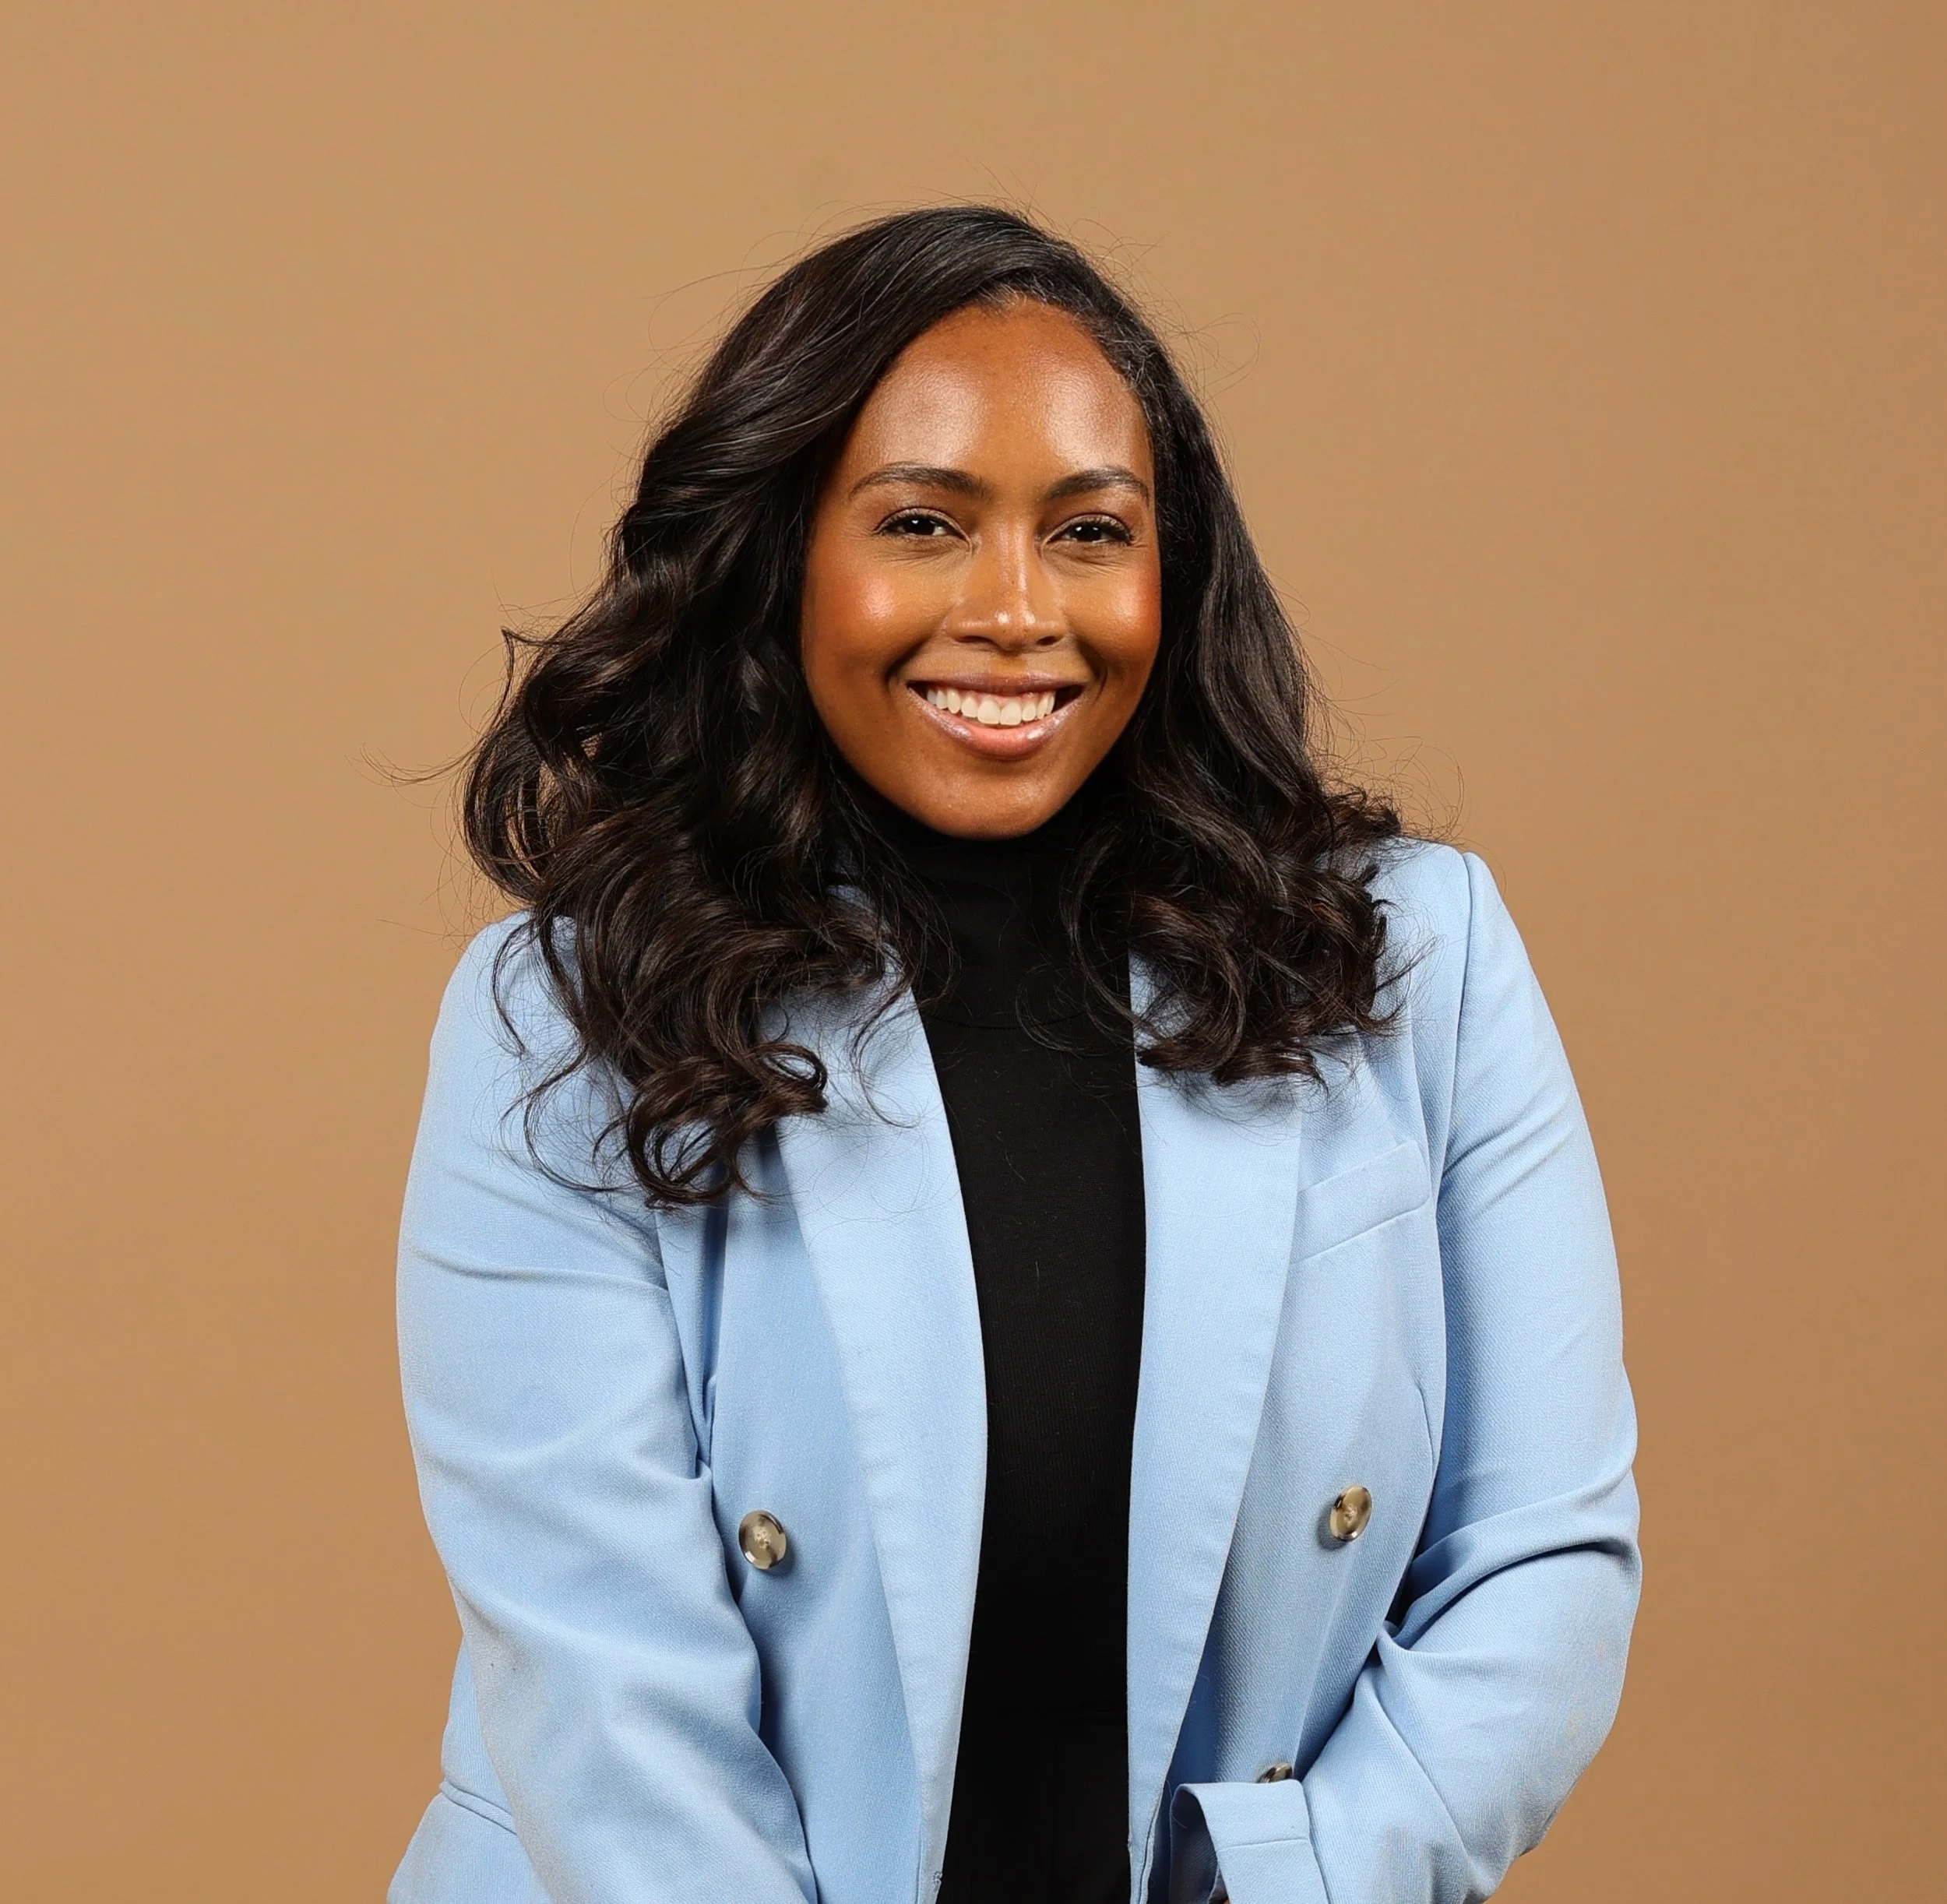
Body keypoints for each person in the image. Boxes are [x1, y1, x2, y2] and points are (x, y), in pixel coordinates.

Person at [388, 206, 1639, 1904]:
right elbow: (606, 1700)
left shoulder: (1416, 960)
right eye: (923, 523)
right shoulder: (566, 1020)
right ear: (778, 557)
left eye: (1088, 531)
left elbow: (1541, 1558)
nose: (1014, 609)